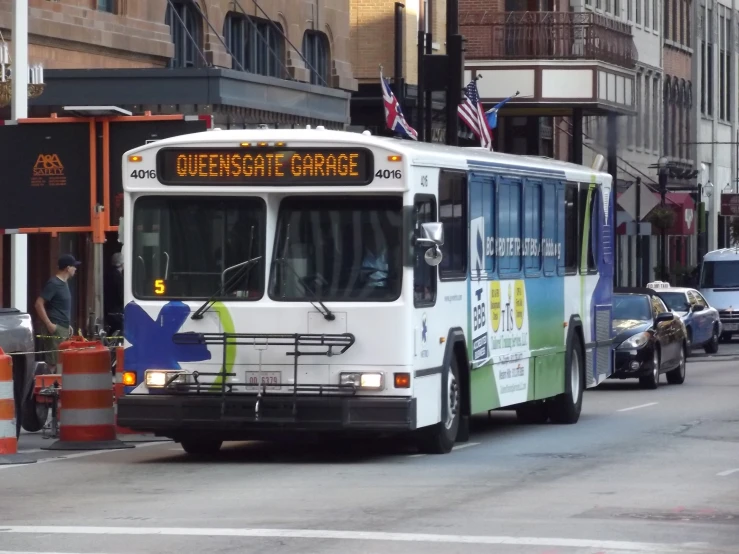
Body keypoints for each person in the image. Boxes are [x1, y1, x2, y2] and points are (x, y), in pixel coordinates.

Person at [35, 254, 81, 374]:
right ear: (67, 268)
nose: (75, 269)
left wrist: (67, 324)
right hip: (55, 328)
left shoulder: (64, 283)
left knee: (61, 361)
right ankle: (49, 388)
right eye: (74, 266)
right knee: (53, 362)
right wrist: (49, 324)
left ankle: (57, 388)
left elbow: (61, 307)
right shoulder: (54, 284)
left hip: (63, 327)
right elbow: (39, 304)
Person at [104, 252, 124, 334]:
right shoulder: (118, 277)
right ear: (122, 264)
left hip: (108, 310)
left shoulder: (108, 274)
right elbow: (121, 296)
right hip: (116, 311)